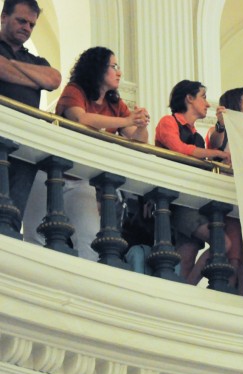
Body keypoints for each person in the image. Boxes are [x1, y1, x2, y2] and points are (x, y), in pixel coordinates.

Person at [23, 46, 149, 262]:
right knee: (35, 232)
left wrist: (140, 124)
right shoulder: (75, 90)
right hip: (48, 172)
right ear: (97, 68)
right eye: (114, 66)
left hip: (81, 179)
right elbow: (81, 119)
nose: (119, 72)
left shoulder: (115, 104)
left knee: (90, 237)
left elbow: (139, 140)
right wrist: (127, 120)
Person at [155, 80, 231, 286]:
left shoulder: (196, 136)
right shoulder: (168, 122)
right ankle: (188, 289)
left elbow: (205, 154)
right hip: (176, 200)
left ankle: (183, 291)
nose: (207, 103)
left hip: (191, 200)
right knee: (222, 243)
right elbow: (179, 149)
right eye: (203, 97)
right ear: (189, 98)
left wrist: (218, 139)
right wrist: (215, 153)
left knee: (187, 254)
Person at [0, 0, 61, 232]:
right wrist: (34, 79)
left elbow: (53, 79)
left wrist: (12, 65)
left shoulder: (36, 60)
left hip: (25, 144)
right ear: (3, 17)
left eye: (32, 25)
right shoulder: (35, 66)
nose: (27, 28)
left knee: (13, 215)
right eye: (21, 21)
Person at [205, 87, 243, 296]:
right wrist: (221, 124)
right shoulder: (221, 130)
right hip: (229, 199)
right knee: (234, 254)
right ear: (237, 103)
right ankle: (229, 295)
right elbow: (215, 142)